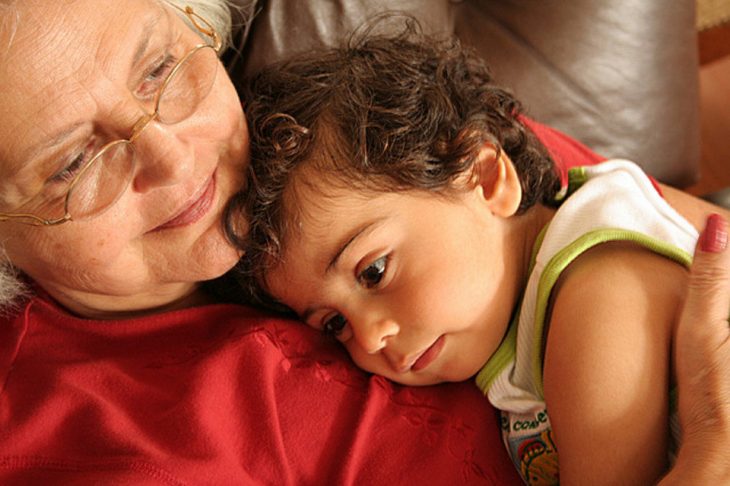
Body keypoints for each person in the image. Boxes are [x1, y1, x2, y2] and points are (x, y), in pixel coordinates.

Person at [0, 1, 727, 484]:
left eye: (160, 68)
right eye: (71, 164)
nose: (173, 159)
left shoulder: (371, 156)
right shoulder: (92, 445)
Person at [232, 30, 730, 485]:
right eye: (333, 323)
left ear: (487, 180)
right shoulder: (525, 306)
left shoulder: (598, 296)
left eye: (374, 270)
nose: (369, 338)